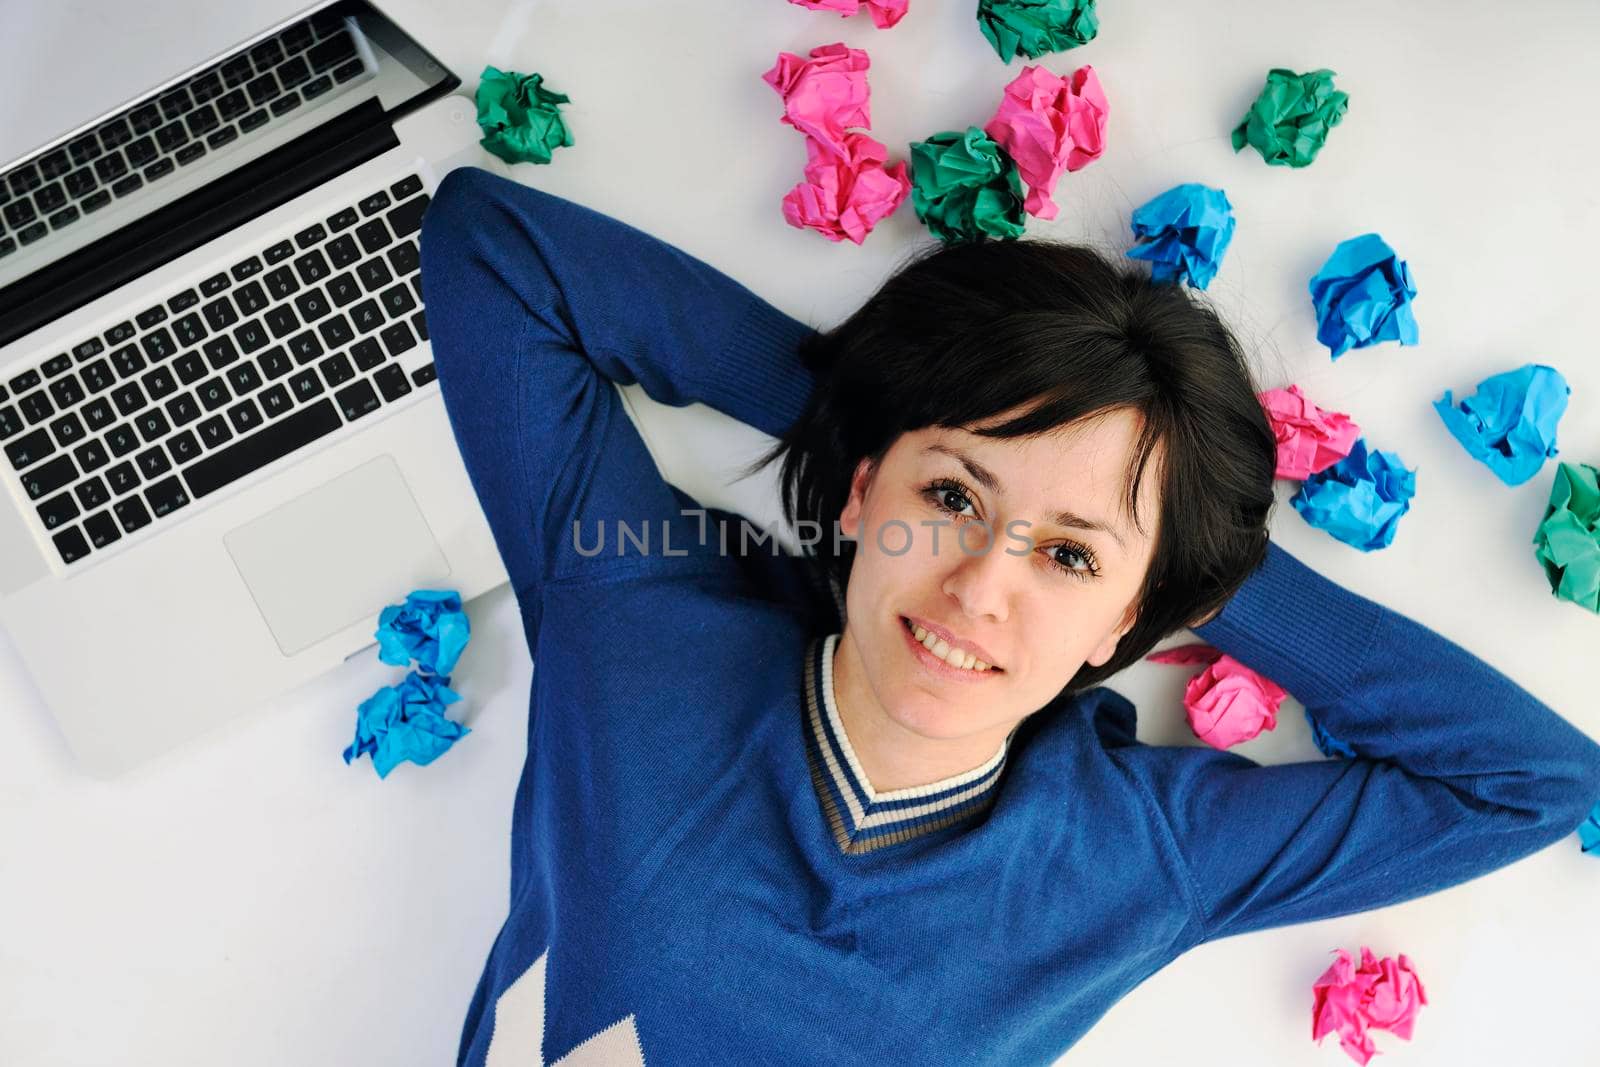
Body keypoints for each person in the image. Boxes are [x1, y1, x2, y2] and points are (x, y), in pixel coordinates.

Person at [417, 165, 1600, 1067]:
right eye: (949, 498)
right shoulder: (638, 619)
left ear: (1125, 619)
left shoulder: (1140, 857)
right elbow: (496, 249)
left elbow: (1532, 779)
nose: (980, 585)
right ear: (865, 489)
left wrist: (1185, 561)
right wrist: (882, 420)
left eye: (1068, 557)